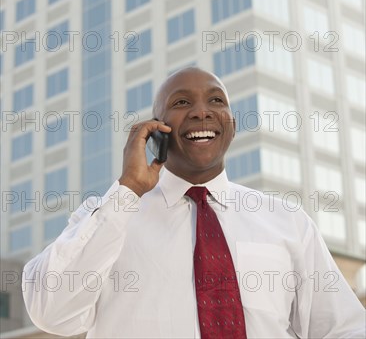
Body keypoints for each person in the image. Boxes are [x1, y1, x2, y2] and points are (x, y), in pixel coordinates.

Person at [23, 67, 365, 338]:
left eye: (216, 101)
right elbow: (51, 312)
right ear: (156, 129)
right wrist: (127, 190)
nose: (202, 112)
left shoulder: (287, 220)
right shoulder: (108, 217)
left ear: (230, 123)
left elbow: (342, 328)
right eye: (181, 103)